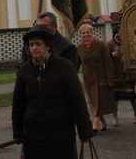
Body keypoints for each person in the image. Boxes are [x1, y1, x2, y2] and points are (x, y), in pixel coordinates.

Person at [13, 25, 94, 158]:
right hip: (32, 137)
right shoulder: (24, 70)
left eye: (38, 44)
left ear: (48, 46)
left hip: (60, 137)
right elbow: (18, 104)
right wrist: (18, 133)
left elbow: (77, 101)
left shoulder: (65, 67)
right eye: (31, 44)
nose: (34, 48)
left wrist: (85, 132)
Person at [77, 24, 117, 132]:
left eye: (88, 32)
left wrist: (110, 78)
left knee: (100, 100)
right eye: (83, 33)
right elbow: (77, 64)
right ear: (80, 35)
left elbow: (107, 61)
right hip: (89, 80)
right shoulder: (79, 48)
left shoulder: (100, 44)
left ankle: (95, 122)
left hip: (101, 78)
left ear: (92, 32)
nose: (86, 35)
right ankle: (103, 122)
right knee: (94, 102)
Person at [106, 25, 136, 125]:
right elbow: (106, 59)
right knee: (115, 97)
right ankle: (115, 117)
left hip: (127, 74)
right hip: (115, 74)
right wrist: (112, 55)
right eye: (118, 33)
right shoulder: (109, 44)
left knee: (132, 95)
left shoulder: (129, 42)